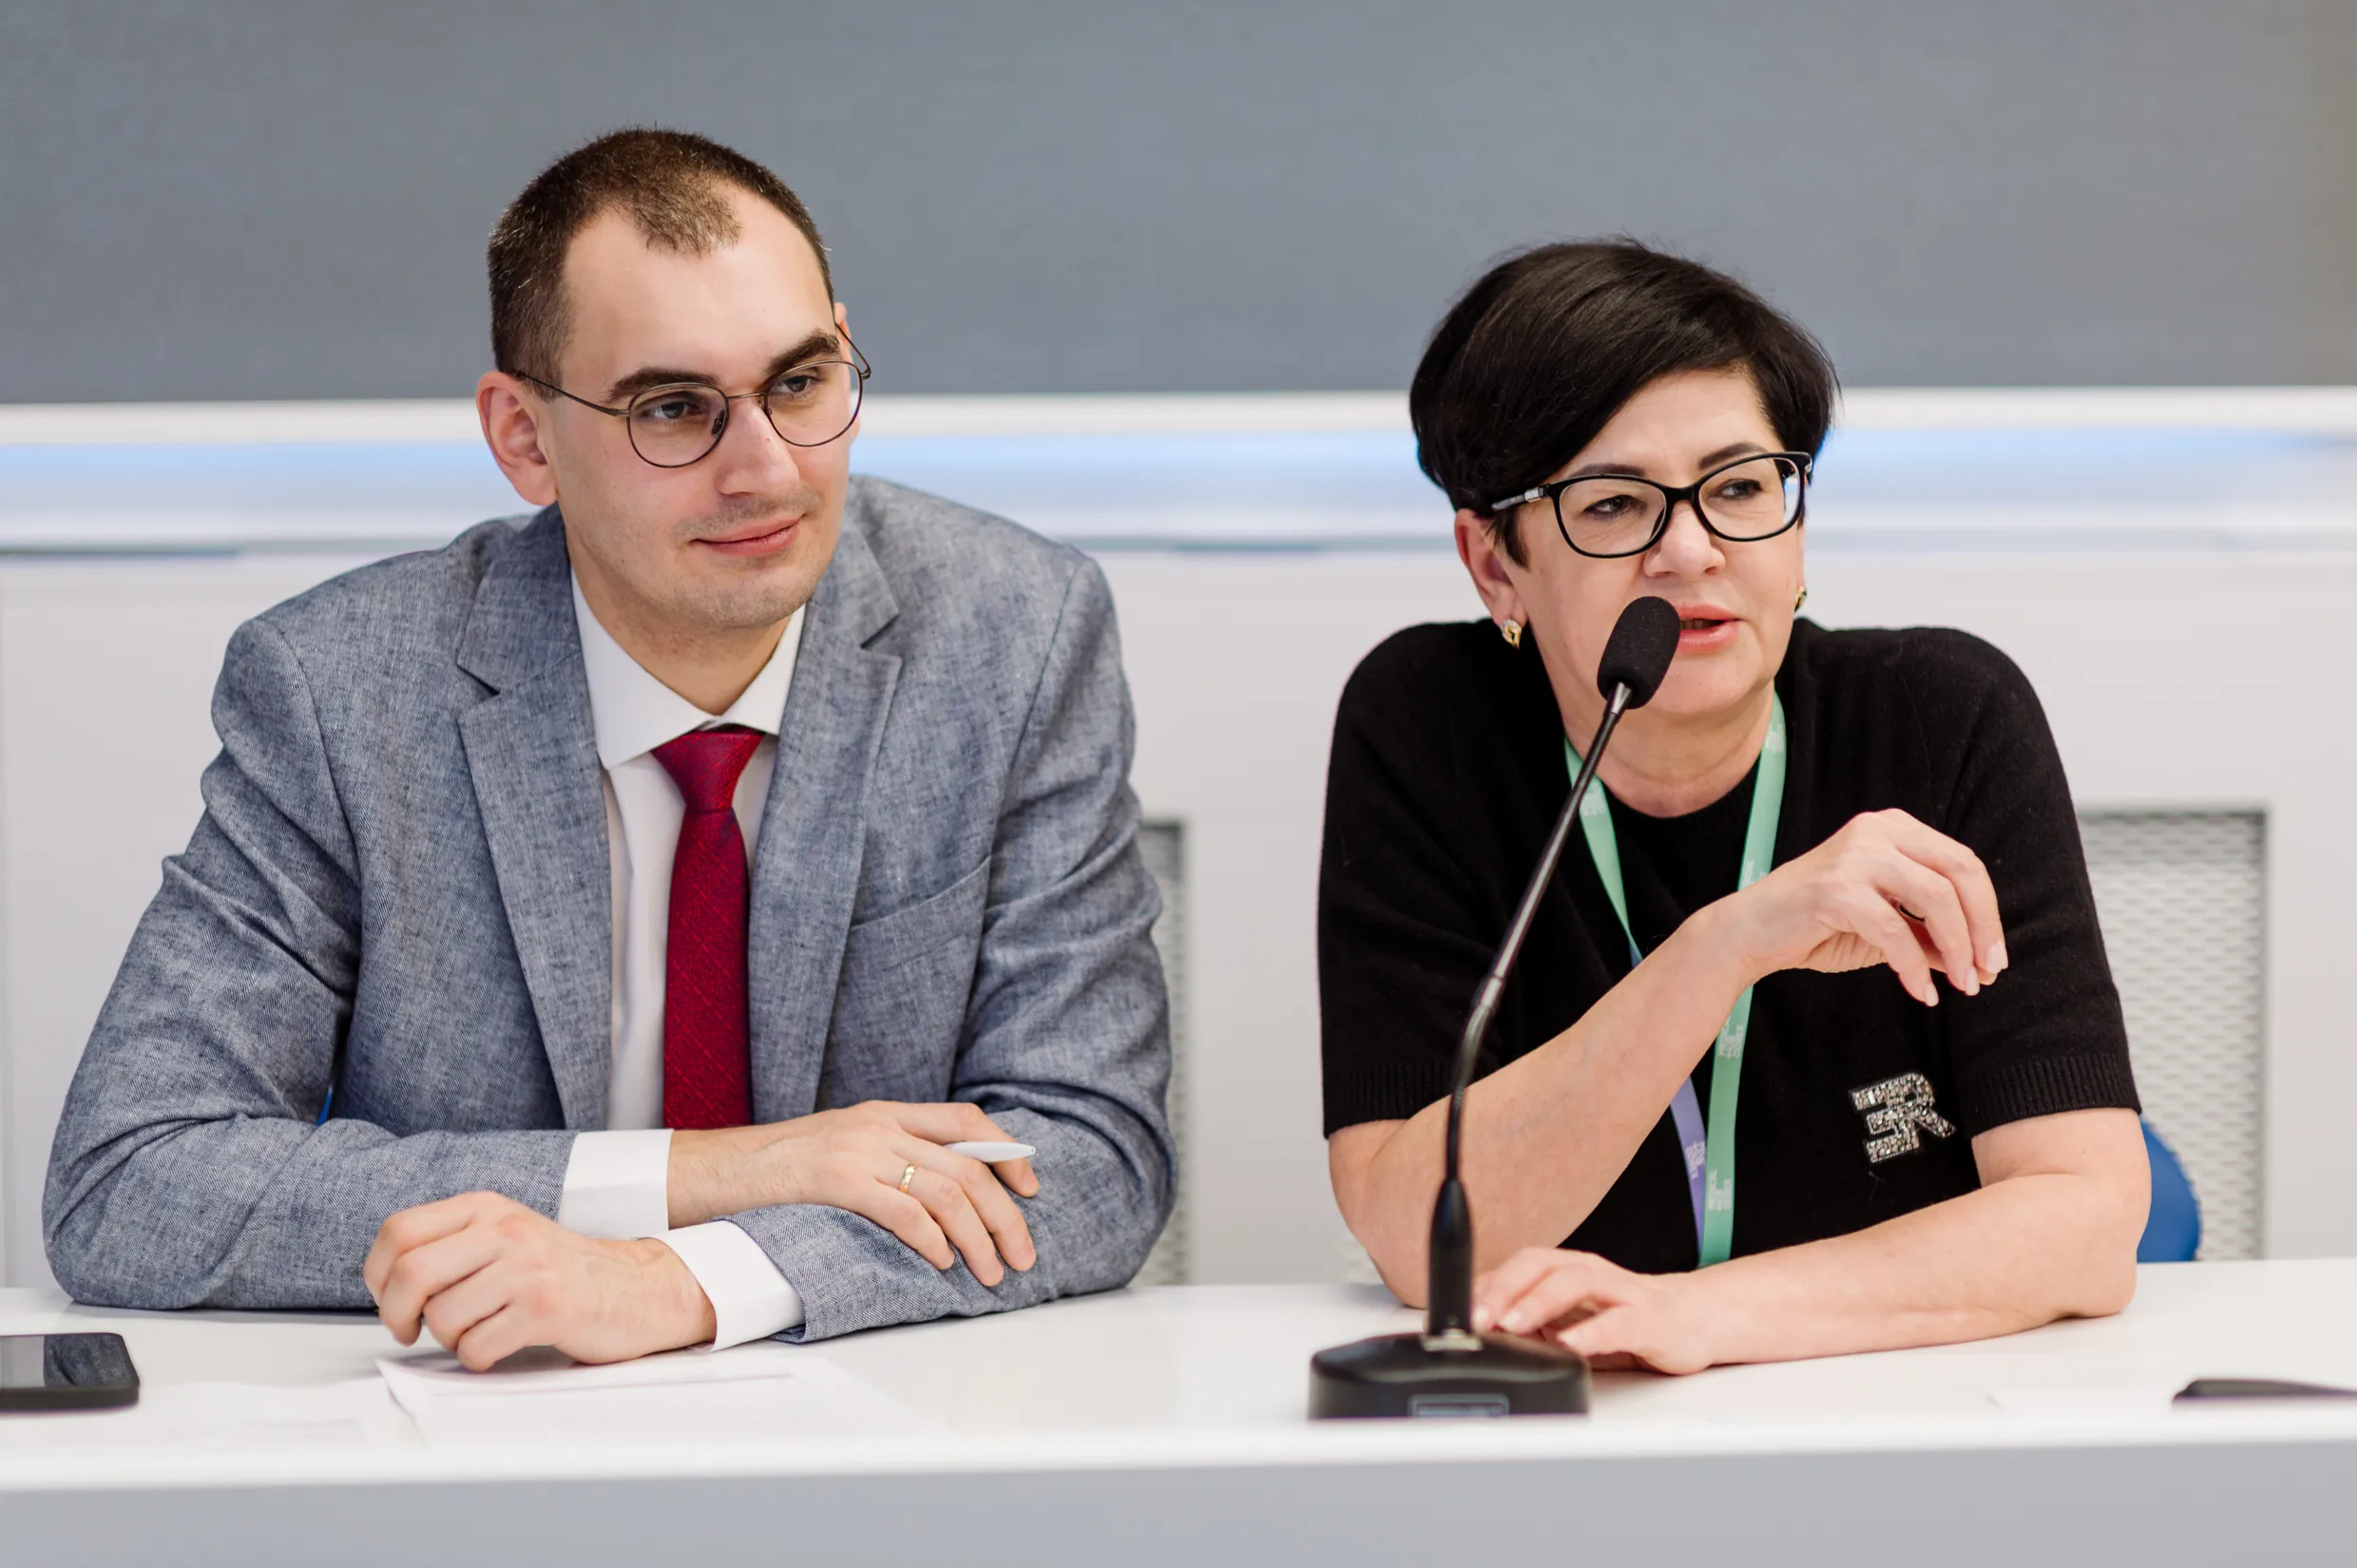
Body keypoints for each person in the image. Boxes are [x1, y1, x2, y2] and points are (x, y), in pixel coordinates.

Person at [44, 129, 1174, 1365]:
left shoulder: (1015, 634)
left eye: (801, 382)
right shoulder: (340, 692)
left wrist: (676, 1281)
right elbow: (131, 1180)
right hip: (478, 1422)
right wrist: (714, 1172)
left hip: (879, 1409)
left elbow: (1090, 1153)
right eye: (673, 410)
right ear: (525, 438)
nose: (767, 470)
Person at [1319, 241, 2147, 1374]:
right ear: (1493, 564)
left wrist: (1697, 1318)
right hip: (1571, 1425)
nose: (1691, 550)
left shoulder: (1938, 716)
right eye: (1614, 504)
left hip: (1908, 1397)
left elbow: (2082, 1219)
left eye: (1740, 487)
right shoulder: (1430, 725)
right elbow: (1421, 1240)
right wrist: (1725, 945)